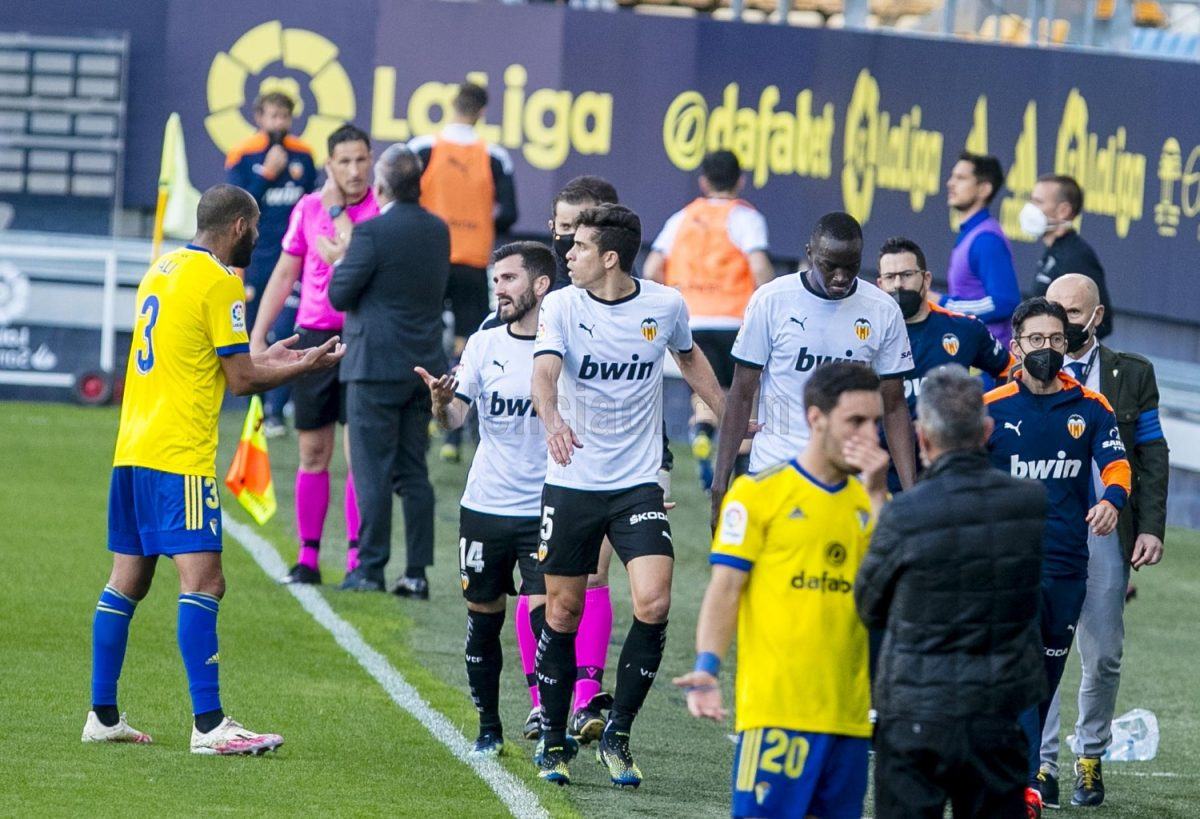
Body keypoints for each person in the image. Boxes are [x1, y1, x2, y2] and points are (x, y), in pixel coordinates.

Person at [83, 184, 345, 754]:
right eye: (253, 228)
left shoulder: (164, 267)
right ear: (238, 227)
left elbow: (213, 360)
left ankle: (102, 714)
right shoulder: (222, 280)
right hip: (180, 457)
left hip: (133, 449)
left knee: (127, 581)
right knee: (205, 582)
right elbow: (241, 381)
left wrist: (265, 358)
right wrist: (301, 367)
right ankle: (209, 726)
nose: (256, 237)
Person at [531, 204, 725, 787]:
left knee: (655, 603)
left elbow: (690, 360)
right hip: (572, 482)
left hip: (638, 481)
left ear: (609, 258)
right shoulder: (562, 305)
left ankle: (617, 735)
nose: (568, 255)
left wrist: (733, 418)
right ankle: (554, 735)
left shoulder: (665, 305)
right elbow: (544, 374)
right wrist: (552, 420)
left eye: (579, 247)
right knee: (563, 610)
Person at [675, 362, 890, 819]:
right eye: (855, 421)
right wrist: (707, 669)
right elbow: (726, 588)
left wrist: (876, 500)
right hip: (777, 717)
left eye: (875, 423)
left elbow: (888, 598)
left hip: (851, 722)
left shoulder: (871, 504)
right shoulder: (758, 495)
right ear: (816, 419)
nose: (869, 435)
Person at [856, 365, 1047, 818]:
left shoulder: (905, 514)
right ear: (987, 431)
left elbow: (868, 605)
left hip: (915, 713)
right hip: (997, 715)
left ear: (921, 438)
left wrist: (874, 498)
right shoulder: (1029, 502)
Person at [984, 297, 1131, 798]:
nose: (1045, 348)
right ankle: (1022, 783)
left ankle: (1025, 773)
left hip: (1068, 565)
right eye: (1035, 339)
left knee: (1045, 677)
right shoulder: (991, 409)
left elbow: (1116, 465)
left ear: (1065, 344)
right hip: (1007, 566)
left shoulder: (1092, 407)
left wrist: (1112, 500)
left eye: (1054, 339)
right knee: (1018, 668)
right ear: (1016, 345)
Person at [414, 241, 553, 755]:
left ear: (540, 286)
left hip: (547, 507)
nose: (499, 289)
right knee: (483, 618)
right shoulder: (483, 343)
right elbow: (455, 419)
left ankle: (550, 729)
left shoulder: (564, 345)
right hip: (486, 507)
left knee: (551, 621)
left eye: (510, 279)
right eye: (496, 280)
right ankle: (489, 728)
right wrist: (440, 402)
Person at [1038, 274, 1168, 808]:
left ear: (1096, 316)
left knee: (1105, 653)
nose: (1062, 323)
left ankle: (1089, 755)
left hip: (1106, 532)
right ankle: (1040, 763)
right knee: (1040, 648)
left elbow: (1153, 455)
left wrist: (1152, 527)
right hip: (1044, 530)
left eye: (1072, 312)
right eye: (1055, 310)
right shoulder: (1026, 370)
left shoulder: (1133, 375)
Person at [712, 212, 916, 527]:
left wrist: (910, 493)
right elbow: (740, 395)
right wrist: (719, 484)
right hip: (774, 472)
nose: (840, 276)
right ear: (809, 254)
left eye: (851, 265)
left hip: (848, 480)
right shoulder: (772, 300)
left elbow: (894, 405)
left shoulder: (883, 310)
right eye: (829, 265)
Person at [250, 124, 378, 586]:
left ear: (372, 160)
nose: (354, 169)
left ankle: (355, 560)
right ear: (329, 165)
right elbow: (285, 274)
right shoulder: (307, 209)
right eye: (344, 161)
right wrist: (259, 336)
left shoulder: (381, 212)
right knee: (312, 450)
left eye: (361, 159)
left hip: (364, 341)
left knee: (358, 454)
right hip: (313, 341)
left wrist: (339, 214)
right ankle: (308, 557)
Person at [328, 144, 449, 596]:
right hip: (422, 367)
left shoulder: (371, 232)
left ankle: (370, 568)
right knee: (413, 470)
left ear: (379, 187)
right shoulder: (438, 231)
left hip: (373, 366)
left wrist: (339, 257)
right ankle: (416, 573)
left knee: (372, 471)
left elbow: (340, 294)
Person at [644, 150, 774, 490]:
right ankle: (741, 480)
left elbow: (651, 268)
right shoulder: (745, 218)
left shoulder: (683, 217)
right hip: (735, 322)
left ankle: (703, 430)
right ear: (740, 180)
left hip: (694, 320)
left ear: (703, 181)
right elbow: (759, 266)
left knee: (706, 393)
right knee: (745, 400)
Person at [409, 81, 518, 464]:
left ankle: (425, 414)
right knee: (466, 343)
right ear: (482, 111)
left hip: (429, 258)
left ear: (450, 104)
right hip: (472, 259)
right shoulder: (495, 155)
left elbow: (402, 196)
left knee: (427, 332)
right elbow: (510, 213)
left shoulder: (422, 148)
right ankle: (456, 434)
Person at [876, 236, 1012, 491]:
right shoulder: (868, 334)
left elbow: (1009, 368)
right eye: (890, 277)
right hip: (885, 476)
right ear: (880, 283)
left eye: (906, 275)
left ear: (926, 279)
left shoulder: (964, 328)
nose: (898, 285)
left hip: (953, 472)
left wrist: (993, 419)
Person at [224, 91, 317, 436]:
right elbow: (235, 205)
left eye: (284, 116)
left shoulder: (305, 154)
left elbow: (310, 203)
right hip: (254, 258)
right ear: (259, 117)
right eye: (272, 115)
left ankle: (278, 411)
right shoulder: (244, 153)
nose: (279, 123)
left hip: (293, 259)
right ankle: (257, 410)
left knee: (290, 330)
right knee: (251, 333)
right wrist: (267, 173)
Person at [942, 152, 1021, 348]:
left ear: (984, 189)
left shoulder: (986, 239)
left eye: (961, 178)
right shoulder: (972, 233)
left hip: (988, 364)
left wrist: (944, 304)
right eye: (952, 176)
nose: (950, 183)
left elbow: (1005, 301)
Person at [1025, 174, 1114, 339]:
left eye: (1038, 202)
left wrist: (1063, 347)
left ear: (1063, 211)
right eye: (1031, 201)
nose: (1030, 208)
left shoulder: (1076, 256)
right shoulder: (1053, 250)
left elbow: (1102, 322)